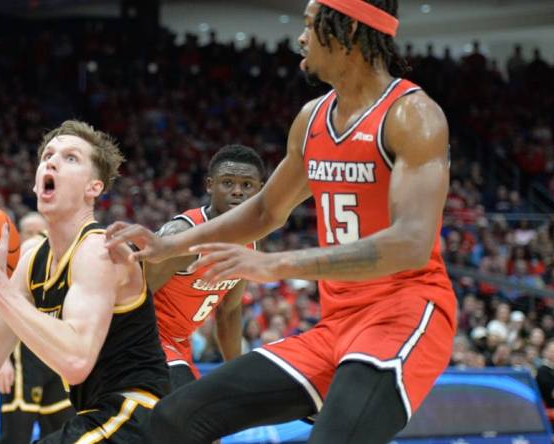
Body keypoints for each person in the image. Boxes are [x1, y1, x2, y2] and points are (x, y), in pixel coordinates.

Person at [106, 1, 455, 442]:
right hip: (336, 326)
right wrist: (170, 246)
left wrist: (275, 266)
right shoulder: (312, 118)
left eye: (310, 25)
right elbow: (266, 212)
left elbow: (410, 243)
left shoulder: (412, 116)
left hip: (404, 315)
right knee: (176, 417)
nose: (300, 37)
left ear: (347, 29)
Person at [0, 120, 169, 443]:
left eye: (71, 157)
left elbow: (76, 361)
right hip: (98, 417)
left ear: (94, 187)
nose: (52, 161)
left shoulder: (100, 250)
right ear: (36, 185)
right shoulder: (34, 259)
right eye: (48, 155)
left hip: (138, 415)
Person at [148, 144, 265, 388]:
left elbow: (230, 311)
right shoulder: (184, 235)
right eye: (228, 182)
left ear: (260, 191)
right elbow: (132, 294)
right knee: (183, 414)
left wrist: (236, 371)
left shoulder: (249, 242)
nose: (237, 192)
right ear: (210, 185)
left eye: (247, 185)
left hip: (179, 343)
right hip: (146, 337)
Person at [0, 211, 74, 444]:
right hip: (22, 356)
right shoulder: (14, 265)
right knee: (15, 437)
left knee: (62, 431)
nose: (35, 238)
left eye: (40, 232)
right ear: (20, 236)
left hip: (54, 356)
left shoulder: (65, 262)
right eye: (30, 233)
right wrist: (1, 360)